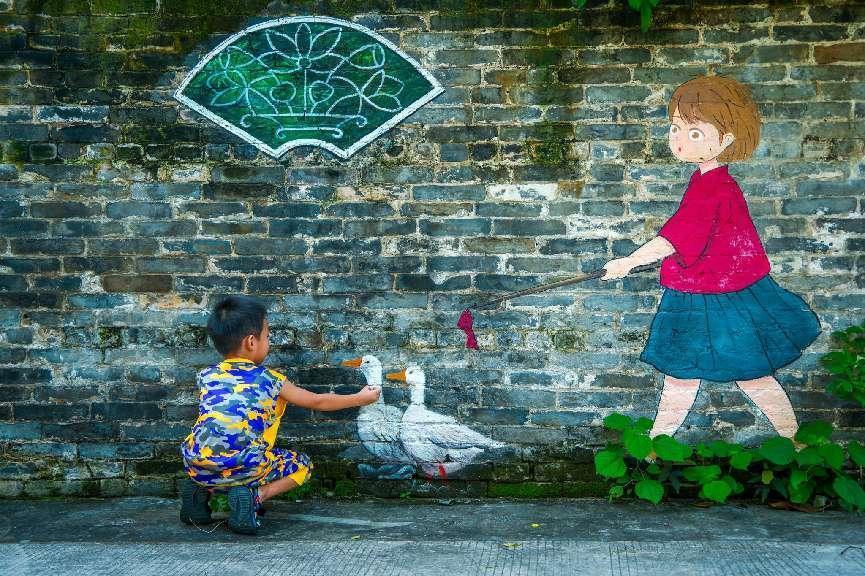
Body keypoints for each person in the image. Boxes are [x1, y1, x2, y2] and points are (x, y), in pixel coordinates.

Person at [602, 74, 820, 442]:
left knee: (745, 376)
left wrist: (627, 262)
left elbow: (675, 238)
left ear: (727, 140)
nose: (679, 139)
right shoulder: (705, 182)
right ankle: (656, 447)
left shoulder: (715, 189)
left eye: (694, 132)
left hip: (718, 299)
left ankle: (796, 443)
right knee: (697, 378)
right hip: (706, 293)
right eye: (675, 128)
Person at [179, 295, 381, 534]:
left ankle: (198, 492)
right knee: (303, 465)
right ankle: (256, 495)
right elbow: (317, 401)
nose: (269, 341)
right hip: (245, 467)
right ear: (251, 342)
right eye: (267, 336)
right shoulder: (271, 380)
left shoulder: (206, 376)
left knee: (218, 462)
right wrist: (360, 398)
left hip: (196, 465)